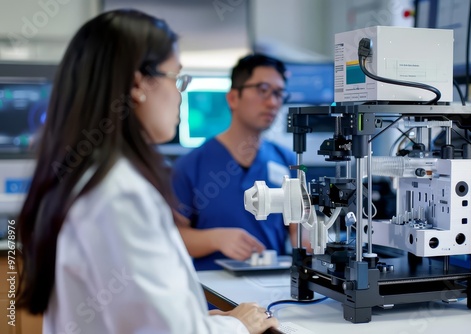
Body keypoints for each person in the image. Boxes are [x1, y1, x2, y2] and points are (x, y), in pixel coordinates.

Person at [16, 9, 278, 334]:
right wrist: (240, 327)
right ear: (139, 83)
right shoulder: (120, 193)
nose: (180, 94)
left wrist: (204, 320)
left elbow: (138, 315)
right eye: (177, 78)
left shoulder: (89, 176)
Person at [172, 54, 298, 271]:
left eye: (278, 94)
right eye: (262, 89)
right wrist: (216, 239)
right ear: (233, 98)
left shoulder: (287, 160)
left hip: (273, 290)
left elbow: (298, 229)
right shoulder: (192, 165)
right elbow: (173, 237)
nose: (272, 102)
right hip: (214, 296)